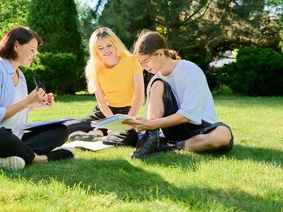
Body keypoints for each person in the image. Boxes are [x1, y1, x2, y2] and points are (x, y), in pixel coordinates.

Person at [0, 26, 74, 170]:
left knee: (60, 130)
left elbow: (14, 109)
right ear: (16, 45)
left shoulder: (20, 75)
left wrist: (35, 104)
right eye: (32, 50)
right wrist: (27, 101)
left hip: (13, 138)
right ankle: (39, 158)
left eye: (36, 51)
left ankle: (10, 156)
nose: (35, 55)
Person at [124, 30, 233, 158]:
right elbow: (153, 118)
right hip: (172, 129)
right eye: (140, 62)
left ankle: (173, 146)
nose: (143, 67)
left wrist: (152, 124)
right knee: (158, 83)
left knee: (223, 135)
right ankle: (152, 140)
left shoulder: (190, 70)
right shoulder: (155, 81)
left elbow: (187, 115)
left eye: (145, 61)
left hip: (201, 128)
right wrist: (144, 124)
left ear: (159, 54)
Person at [64, 27, 145, 146]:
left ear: (115, 44)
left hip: (126, 113)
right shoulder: (94, 68)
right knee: (65, 129)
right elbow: (101, 102)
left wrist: (122, 123)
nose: (106, 50)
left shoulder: (132, 61)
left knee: (130, 138)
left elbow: (139, 98)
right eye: (100, 48)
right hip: (103, 113)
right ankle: (98, 132)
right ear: (95, 50)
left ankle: (99, 135)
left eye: (109, 46)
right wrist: (111, 122)